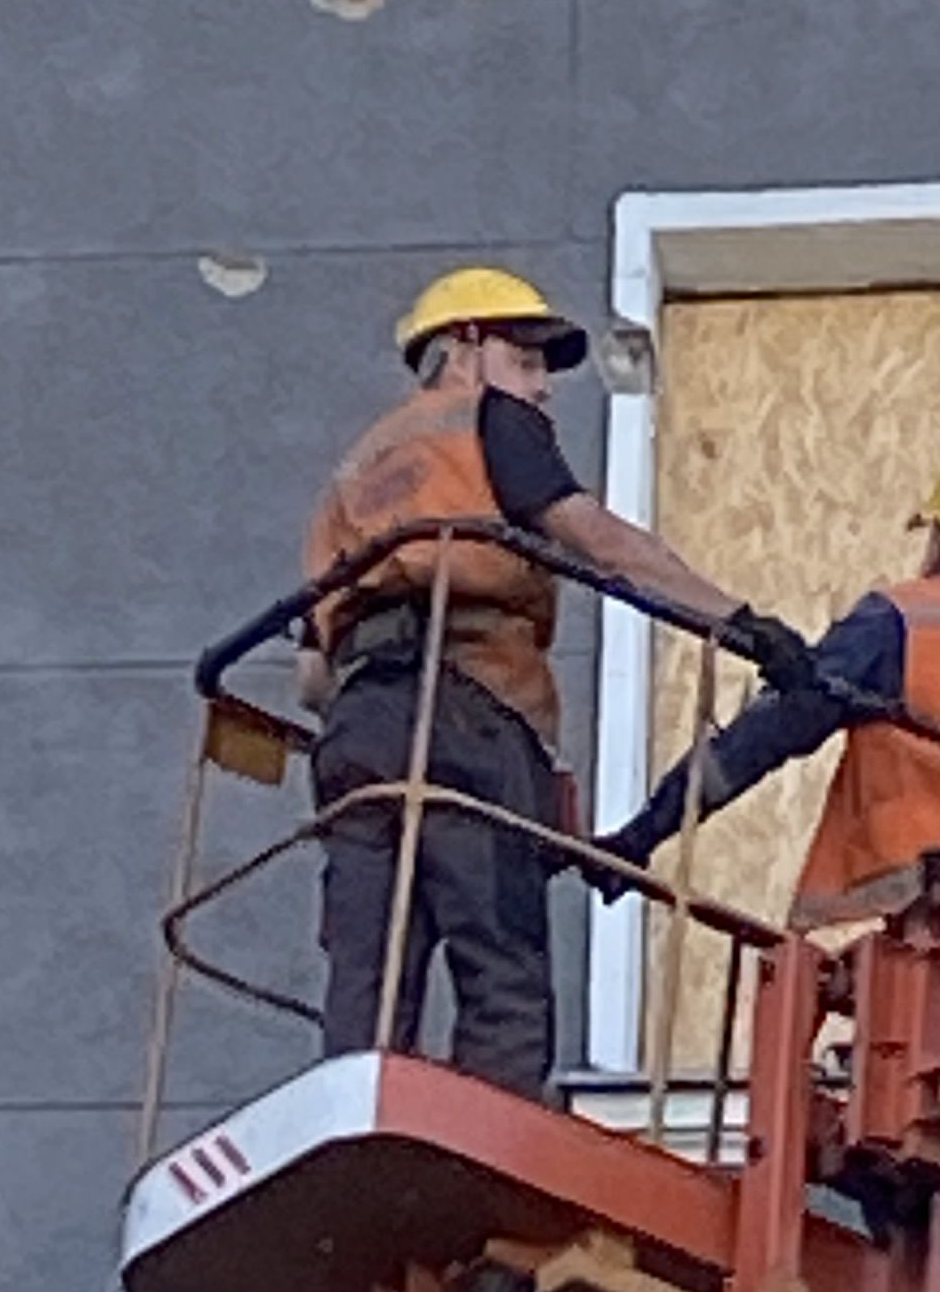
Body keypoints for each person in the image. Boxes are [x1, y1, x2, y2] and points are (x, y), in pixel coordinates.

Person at [596, 443, 940, 1292]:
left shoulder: (908, 621)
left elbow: (772, 733)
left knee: (894, 1123)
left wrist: (644, 833)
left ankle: (935, 1284)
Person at [300, 265, 814, 1096]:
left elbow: (310, 678)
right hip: (470, 711)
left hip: (360, 726)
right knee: (499, 963)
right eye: (529, 359)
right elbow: (591, 536)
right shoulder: (487, 421)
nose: (542, 388)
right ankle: (487, 1159)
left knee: (369, 973)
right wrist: (741, 624)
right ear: (466, 345)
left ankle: (353, 1132)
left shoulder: (354, 474)